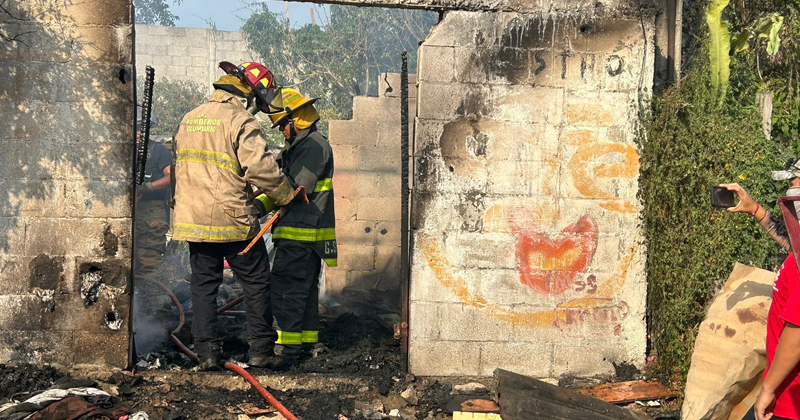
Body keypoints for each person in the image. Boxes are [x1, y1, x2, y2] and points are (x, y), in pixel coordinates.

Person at [171, 61, 295, 370]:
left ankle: (207, 353)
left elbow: (179, 169)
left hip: (194, 221)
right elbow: (261, 169)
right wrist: (286, 196)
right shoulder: (240, 121)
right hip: (233, 221)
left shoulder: (189, 118)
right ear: (249, 94)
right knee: (256, 281)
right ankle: (261, 350)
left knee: (203, 286)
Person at [261, 88, 337, 369]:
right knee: (303, 292)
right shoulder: (301, 146)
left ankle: (287, 350)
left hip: (300, 233)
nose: (282, 130)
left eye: (283, 124)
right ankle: (306, 343)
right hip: (303, 233)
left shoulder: (312, 146)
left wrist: (257, 206)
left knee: (287, 291)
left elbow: (292, 190)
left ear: (297, 120)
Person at [723, 158, 800, 420]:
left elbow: (797, 330)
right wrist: (754, 209)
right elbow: (790, 241)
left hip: (789, 399)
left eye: (796, 182)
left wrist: (768, 388)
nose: (792, 188)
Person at [134, 109, 172, 278]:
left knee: (149, 260)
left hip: (151, 211)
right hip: (128, 208)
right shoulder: (121, 151)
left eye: (142, 128)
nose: (139, 132)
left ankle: (152, 293)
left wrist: (148, 187)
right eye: (136, 128)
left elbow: (171, 176)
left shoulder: (158, 150)